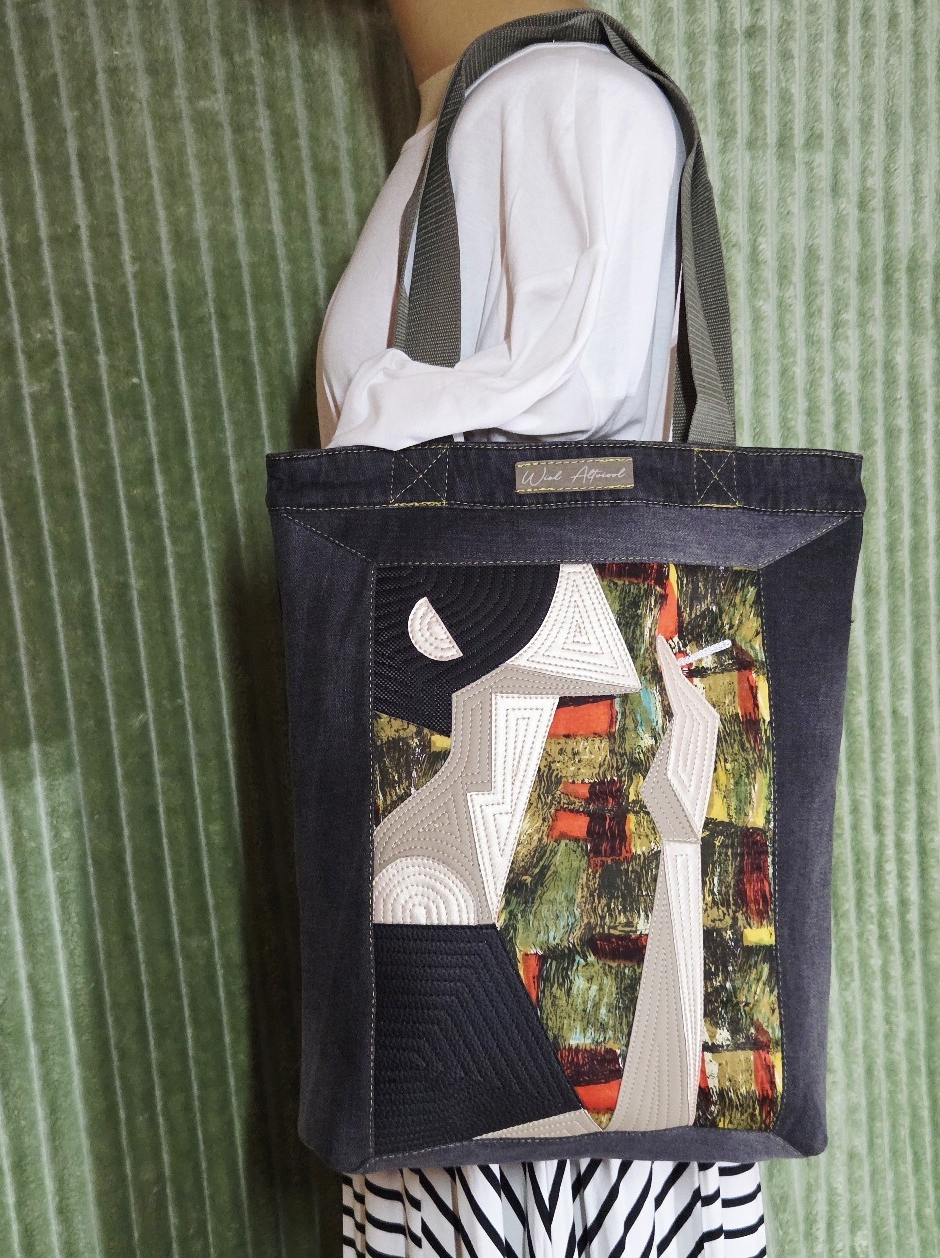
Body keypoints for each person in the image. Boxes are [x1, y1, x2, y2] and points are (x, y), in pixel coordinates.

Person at [322, 3, 768, 1253]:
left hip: (537, 1003)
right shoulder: (471, 122)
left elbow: (534, 462)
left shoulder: (565, 102)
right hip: (466, 936)